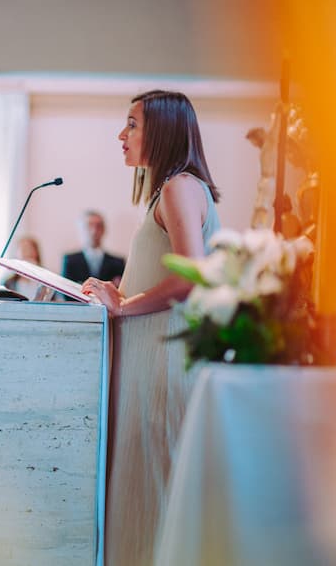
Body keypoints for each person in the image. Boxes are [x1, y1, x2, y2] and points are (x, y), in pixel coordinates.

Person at [80, 90, 221, 565]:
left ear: (161, 130)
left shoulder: (180, 185)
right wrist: (117, 290)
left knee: (153, 482)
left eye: (132, 125)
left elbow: (189, 274)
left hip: (162, 362)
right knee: (143, 483)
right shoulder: (168, 191)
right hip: (149, 358)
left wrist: (123, 306)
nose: (122, 135)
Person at [62, 211, 126, 298]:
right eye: (89, 225)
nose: (94, 231)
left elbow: (121, 294)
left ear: (104, 230)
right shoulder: (70, 260)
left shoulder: (118, 262)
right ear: (82, 229)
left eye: (98, 226)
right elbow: (65, 293)